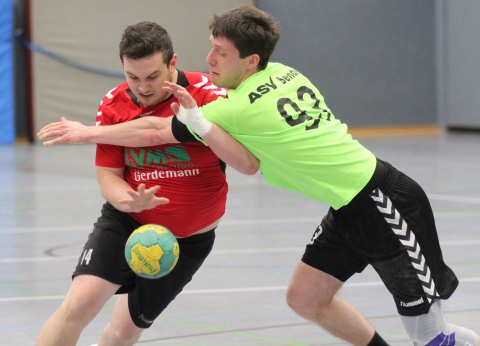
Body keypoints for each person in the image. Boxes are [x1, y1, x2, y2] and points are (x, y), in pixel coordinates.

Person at [38, 6, 480, 346]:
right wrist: (199, 124)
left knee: (431, 335)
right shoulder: (283, 72)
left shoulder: (234, 105)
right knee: (305, 298)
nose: (209, 58)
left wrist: (84, 133)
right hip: (346, 205)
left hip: (383, 201)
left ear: (249, 61)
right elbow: (248, 164)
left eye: (220, 52)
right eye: (210, 47)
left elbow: (158, 129)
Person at [36, 21, 258, 346]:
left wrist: (86, 133)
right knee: (78, 304)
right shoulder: (114, 104)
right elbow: (108, 176)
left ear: (173, 63)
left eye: (153, 76)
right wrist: (128, 200)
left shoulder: (208, 96)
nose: (142, 87)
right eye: (133, 76)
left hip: (185, 242)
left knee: (123, 332)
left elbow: (156, 131)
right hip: (126, 221)